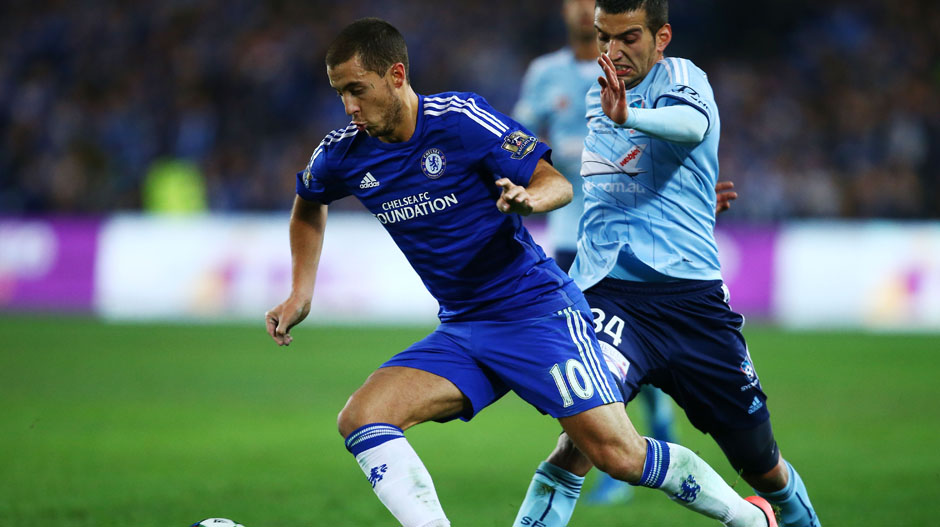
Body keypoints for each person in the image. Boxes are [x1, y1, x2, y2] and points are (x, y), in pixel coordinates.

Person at [265, 17, 776, 527]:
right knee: (362, 417)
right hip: (464, 328)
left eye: (357, 90)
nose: (349, 107)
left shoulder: (459, 120)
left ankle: (750, 519)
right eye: (340, 93)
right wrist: (300, 292)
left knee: (619, 456)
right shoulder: (343, 153)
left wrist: (528, 199)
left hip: (538, 314)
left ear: (396, 75)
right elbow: (308, 203)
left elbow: (557, 183)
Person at [511, 1, 820, 526]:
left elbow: (690, 126)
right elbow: (616, 183)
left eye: (628, 37)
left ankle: (790, 514)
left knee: (761, 464)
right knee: (583, 439)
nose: (613, 52)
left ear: (662, 37)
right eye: (605, 37)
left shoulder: (682, 78)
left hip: (691, 304)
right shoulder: (596, 96)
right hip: (611, 298)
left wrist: (631, 120)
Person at [513, 0, 679, 506]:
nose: (583, 7)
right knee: (588, 350)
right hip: (570, 233)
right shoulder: (545, 73)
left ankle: (638, 435)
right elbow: (514, 136)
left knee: (626, 342)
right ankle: (620, 445)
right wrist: (543, 157)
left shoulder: (638, 67)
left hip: (629, 231)